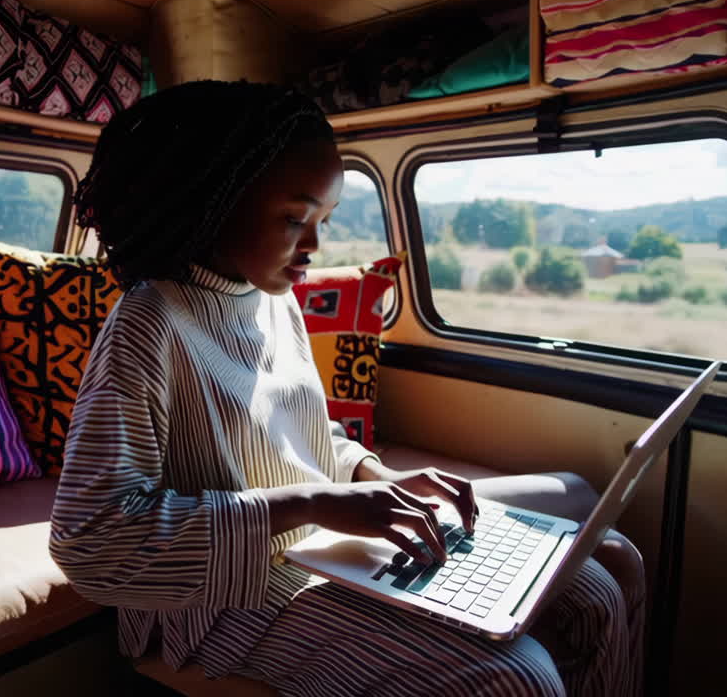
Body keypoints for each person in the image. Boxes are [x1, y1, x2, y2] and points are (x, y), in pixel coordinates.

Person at [49, 80, 642, 696]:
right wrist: (311, 505)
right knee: (520, 680)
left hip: (319, 547)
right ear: (212, 202)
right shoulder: (150, 322)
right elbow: (91, 542)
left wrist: (371, 477)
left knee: (597, 588)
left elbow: (300, 439)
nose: (313, 246)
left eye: (322, 220)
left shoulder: (269, 298)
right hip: (220, 604)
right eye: (293, 218)